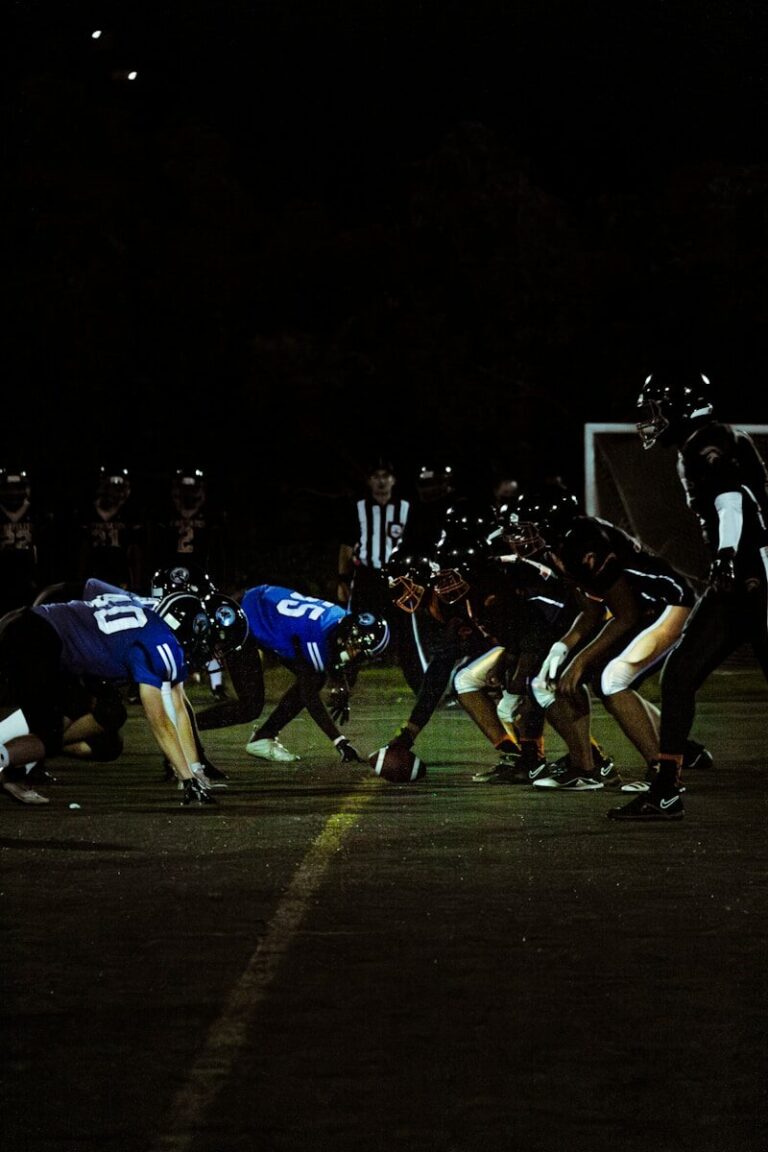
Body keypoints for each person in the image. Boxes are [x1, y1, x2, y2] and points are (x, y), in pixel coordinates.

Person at [608, 367, 768, 821]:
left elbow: (730, 500)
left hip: (754, 570)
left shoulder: (706, 441)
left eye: (657, 409)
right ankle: (665, 789)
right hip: (744, 573)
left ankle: (665, 789)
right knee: (678, 674)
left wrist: (726, 553)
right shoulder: (710, 439)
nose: (651, 420)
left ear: (681, 407)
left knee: (679, 674)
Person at [503, 484, 709, 791]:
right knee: (548, 681)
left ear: (552, 522)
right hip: (642, 610)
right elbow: (592, 611)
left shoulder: (584, 541)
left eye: (528, 529)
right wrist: (563, 648)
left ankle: (663, 773)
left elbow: (627, 614)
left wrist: (581, 661)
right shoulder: (557, 548)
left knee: (612, 679)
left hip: (668, 604)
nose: (521, 538)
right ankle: (586, 767)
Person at [0, 577, 246, 806]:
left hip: (41, 637)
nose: (216, 656)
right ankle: (10, 764)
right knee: (49, 733)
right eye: (217, 645)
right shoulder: (161, 641)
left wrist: (195, 769)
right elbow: (159, 718)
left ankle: (18, 761)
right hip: (36, 639)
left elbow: (179, 706)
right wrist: (187, 778)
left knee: (109, 720)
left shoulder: (154, 610)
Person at [195, 584, 390, 764]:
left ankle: (264, 736)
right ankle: (187, 727)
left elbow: (339, 658)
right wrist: (338, 741)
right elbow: (309, 694)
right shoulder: (316, 636)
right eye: (354, 647)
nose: (353, 653)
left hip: (268, 612)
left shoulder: (341, 619)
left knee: (316, 676)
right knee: (250, 707)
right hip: (245, 618)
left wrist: (343, 687)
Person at [337, 458, 428, 694]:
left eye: (385, 476)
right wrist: (343, 580)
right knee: (354, 631)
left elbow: (417, 545)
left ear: (393, 480)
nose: (381, 481)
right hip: (366, 578)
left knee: (407, 636)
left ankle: (424, 690)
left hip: (398, 579)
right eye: (376, 476)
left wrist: (417, 578)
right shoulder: (358, 508)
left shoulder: (406, 508)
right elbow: (347, 546)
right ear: (369, 481)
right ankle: (342, 686)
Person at [75, 465, 144, 591]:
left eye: (121, 483)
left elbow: (134, 551)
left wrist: (136, 583)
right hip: (94, 572)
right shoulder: (88, 510)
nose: (118, 487)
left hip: (119, 573)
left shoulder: (130, 513)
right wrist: (79, 578)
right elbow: (83, 548)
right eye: (114, 482)